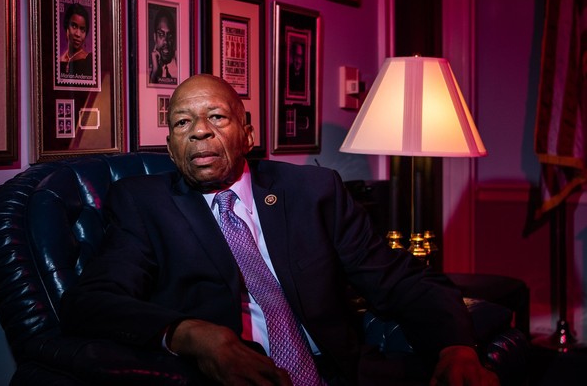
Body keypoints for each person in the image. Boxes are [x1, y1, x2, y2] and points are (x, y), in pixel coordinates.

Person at [58, 74, 498, 385]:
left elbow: (400, 280)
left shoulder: (313, 190)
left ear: (247, 134)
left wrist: (455, 346)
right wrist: (189, 333)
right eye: (182, 123)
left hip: (340, 371)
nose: (199, 133)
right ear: (171, 147)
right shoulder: (143, 203)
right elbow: (91, 301)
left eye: (217, 117)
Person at [59, 3, 93, 78]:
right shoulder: (59, 60)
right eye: (74, 26)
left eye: (82, 29)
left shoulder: (90, 61)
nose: (78, 34)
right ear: (67, 27)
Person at [149, 7, 177, 85]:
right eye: (161, 34)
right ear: (155, 37)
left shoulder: (181, 69)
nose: (165, 41)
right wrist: (155, 72)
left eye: (169, 35)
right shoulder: (148, 73)